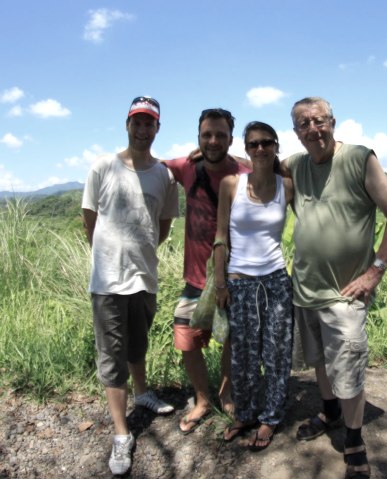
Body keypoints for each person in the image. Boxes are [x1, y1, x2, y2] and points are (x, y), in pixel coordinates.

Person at [283, 97, 387, 479]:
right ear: (296, 132)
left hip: (346, 293)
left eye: (319, 121)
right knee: (319, 360)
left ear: (332, 122)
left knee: (348, 366)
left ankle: (353, 439)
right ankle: (331, 412)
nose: (312, 129)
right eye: (304, 124)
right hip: (305, 287)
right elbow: (255, 160)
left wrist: (375, 272)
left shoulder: (358, 158)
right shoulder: (295, 164)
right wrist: (205, 155)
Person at [82, 96, 179, 476]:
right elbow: (89, 218)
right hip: (107, 280)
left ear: (157, 128)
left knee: (139, 342)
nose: (142, 129)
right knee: (112, 355)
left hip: (144, 275)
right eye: (136, 122)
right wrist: (107, 255)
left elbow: (164, 226)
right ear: (127, 125)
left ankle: (143, 395)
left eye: (149, 123)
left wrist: (138, 254)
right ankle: (122, 434)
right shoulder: (103, 167)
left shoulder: (164, 176)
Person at [163, 108, 252, 433]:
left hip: (234, 276)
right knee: (188, 339)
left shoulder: (244, 172)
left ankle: (226, 395)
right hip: (195, 278)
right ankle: (202, 399)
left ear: (231, 138)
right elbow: (149, 164)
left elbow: (275, 169)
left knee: (230, 339)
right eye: (207, 135)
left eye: (220, 135)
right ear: (198, 137)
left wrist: (239, 155)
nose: (213, 141)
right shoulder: (187, 166)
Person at [213, 121, 294, 451]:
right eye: (253, 144)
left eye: (266, 143)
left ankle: (270, 418)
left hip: (276, 281)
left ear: (276, 146)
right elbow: (221, 237)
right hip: (240, 283)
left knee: (277, 354)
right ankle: (245, 414)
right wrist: (220, 283)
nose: (260, 149)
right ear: (245, 149)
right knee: (243, 357)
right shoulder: (231, 184)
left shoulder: (287, 185)